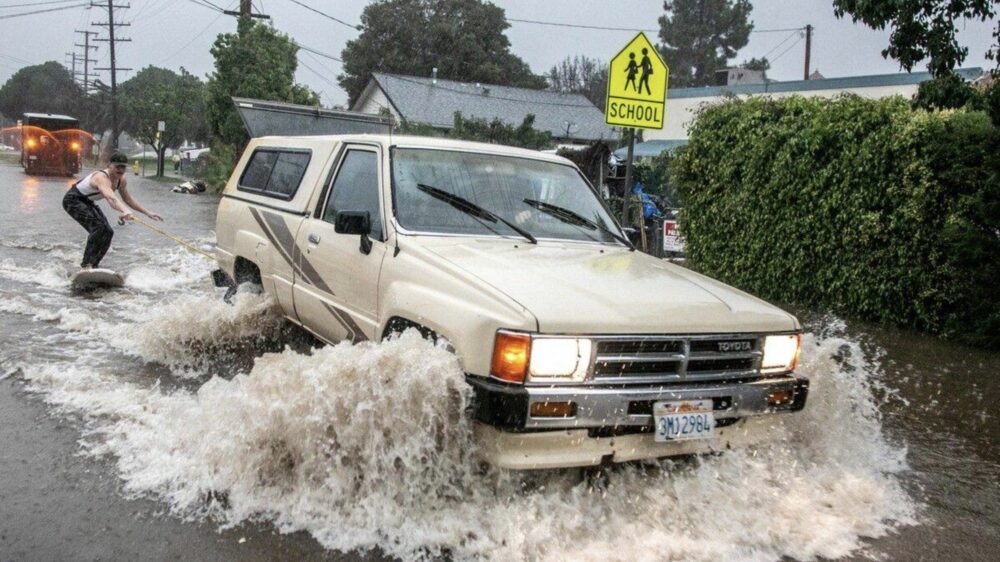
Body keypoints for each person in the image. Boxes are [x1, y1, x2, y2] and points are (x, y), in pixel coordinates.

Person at [61, 152, 163, 270]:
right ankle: (86, 265)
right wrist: (125, 210)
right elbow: (111, 198)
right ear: (109, 165)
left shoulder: (121, 180)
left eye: (123, 167)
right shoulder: (101, 178)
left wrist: (148, 213)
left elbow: (128, 199)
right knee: (98, 228)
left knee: (108, 232)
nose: (120, 170)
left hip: (88, 202)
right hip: (72, 200)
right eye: (117, 166)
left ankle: (94, 265)